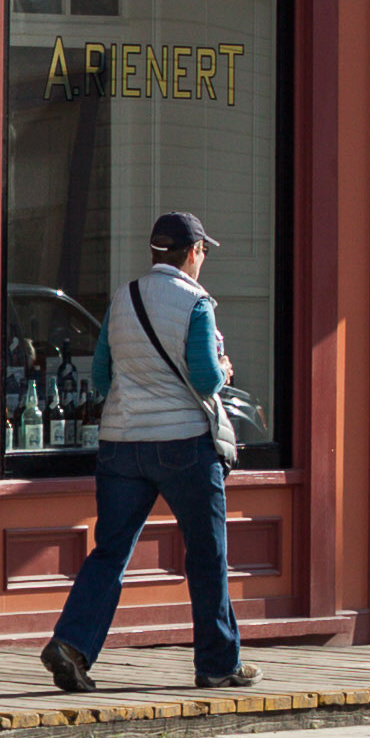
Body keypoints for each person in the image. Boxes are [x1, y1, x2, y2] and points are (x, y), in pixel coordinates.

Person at [42, 208, 252, 694]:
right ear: (194, 252)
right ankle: (218, 663)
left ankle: (71, 644)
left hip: (121, 445)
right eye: (203, 252)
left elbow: (100, 375)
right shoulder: (196, 302)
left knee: (110, 551)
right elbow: (203, 378)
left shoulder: (124, 297)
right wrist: (223, 364)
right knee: (206, 554)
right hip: (183, 445)